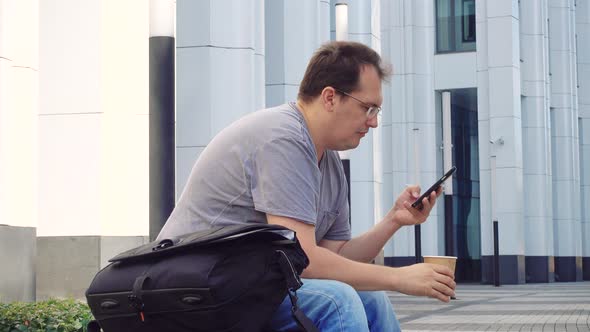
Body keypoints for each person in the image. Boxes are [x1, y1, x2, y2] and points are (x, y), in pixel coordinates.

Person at [157, 41, 456, 332]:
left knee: (370, 297)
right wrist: (399, 278)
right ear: (329, 98)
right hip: (195, 289)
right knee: (337, 301)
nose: (373, 123)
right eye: (368, 108)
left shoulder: (329, 160)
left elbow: (335, 257)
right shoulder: (283, 138)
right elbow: (308, 261)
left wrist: (394, 221)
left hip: (246, 285)